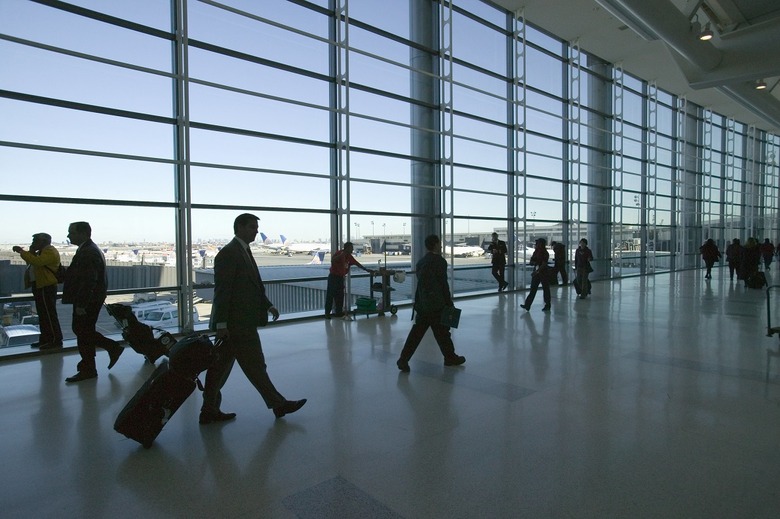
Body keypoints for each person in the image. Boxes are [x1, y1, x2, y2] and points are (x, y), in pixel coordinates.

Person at [200, 213, 306, 424]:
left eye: (256, 227)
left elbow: (252, 286)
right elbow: (223, 292)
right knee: (255, 366)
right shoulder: (228, 254)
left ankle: (208, 410)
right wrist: (221, 324)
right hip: (236, 325)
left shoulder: (243, 251)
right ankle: (278, 404)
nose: (256, 231)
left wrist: (268, 305)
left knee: (219, 371)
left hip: (238, 324)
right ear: (239, 228)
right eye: (252, 227)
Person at [61, 222, 124, 382]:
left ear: (83, 233)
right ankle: (96, 360)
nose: (68, 236)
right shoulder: (89, 249)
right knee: (83, 331)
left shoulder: (88, 252)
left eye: (71, 232)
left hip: (88, 301)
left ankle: (91, 365)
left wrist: (82, 304)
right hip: (91, 299)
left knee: (82, 331)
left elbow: (89, 280)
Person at [396, 234, 465, 372]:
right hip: (437, 305)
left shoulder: (421, 262)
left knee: (416, 334)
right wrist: (448, 302)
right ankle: (450, 358)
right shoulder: (440, 261)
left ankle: (403, 359)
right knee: (443, 333)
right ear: (435, 244)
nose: (440, 246)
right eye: (439, 243)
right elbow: (442, 284)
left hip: (423, 304)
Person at [13, 233, 64, 350]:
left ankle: (55, 340)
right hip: (41, 286)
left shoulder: (50, 251)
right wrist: (31, 252)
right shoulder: (42, 251)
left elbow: (37, 262)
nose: (33, 242)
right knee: (43, 315)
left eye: (35, 240)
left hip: (46, 286)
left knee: (48, 315)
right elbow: (32, 263)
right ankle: (45, 340)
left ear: (43, 241)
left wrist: (22, 251)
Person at [324, 242, 372, 318]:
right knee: (330, 295)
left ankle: (339, 312)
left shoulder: (349, 257)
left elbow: (357, 263)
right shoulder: (340, 253)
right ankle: (327, 313)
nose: (352, 249)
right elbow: (333, 260)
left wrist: (366, 269)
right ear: (347, 248)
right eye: (351, 248)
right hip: (333, 277)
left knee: (340, 296)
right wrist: (341, 256)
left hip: (341, 278)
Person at [520, 238, 551, 312]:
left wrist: (537, 270)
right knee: (534, 289)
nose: (536, 245)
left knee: (545, 289)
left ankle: (547, 304)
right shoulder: (537, 252)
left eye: (537, 243)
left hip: (542, 273)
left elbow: (543, 264)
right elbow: (532, 261)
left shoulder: (544, 253)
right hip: (539, 272)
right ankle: (527, 305)